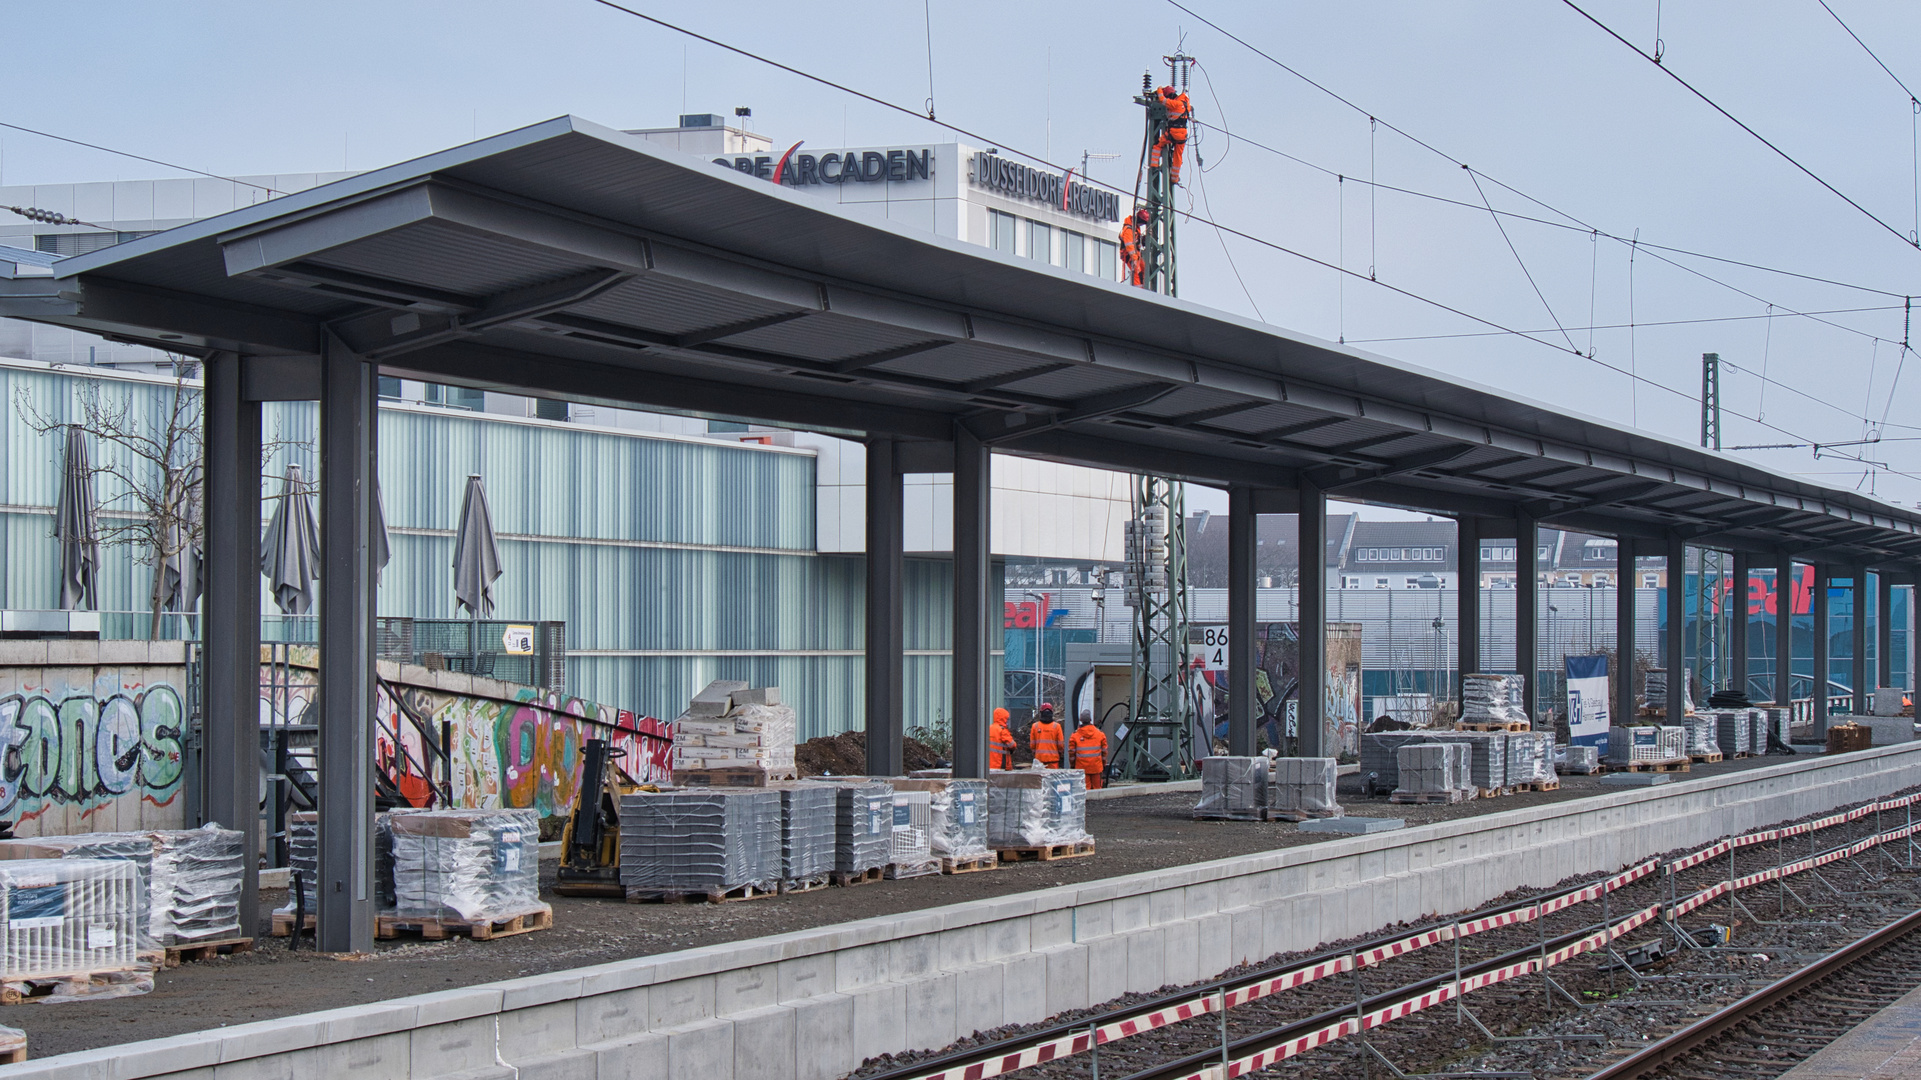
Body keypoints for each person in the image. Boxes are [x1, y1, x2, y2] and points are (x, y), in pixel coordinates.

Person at [1069, 711, 1109, 790]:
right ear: (1090, 719)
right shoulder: (1100, 734)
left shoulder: (1074, 735)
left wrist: (1073, 765)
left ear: (1081, 720)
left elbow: (1071, 753)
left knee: (1084, 791)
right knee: (1097, 791)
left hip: (1081, 768)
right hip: (1096, 767)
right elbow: (1104, 752)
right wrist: (1103, 764)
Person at [1027, 703, 1065, 769]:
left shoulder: (1035, 726)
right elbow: (1060, 745)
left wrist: (1035, 754)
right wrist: (1059, 754)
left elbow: (1032, 745)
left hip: (1039, 761)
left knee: (1040, 779)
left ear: (1041, 713)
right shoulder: (1057, 726)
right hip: (1053, 760)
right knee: (1053, 779)